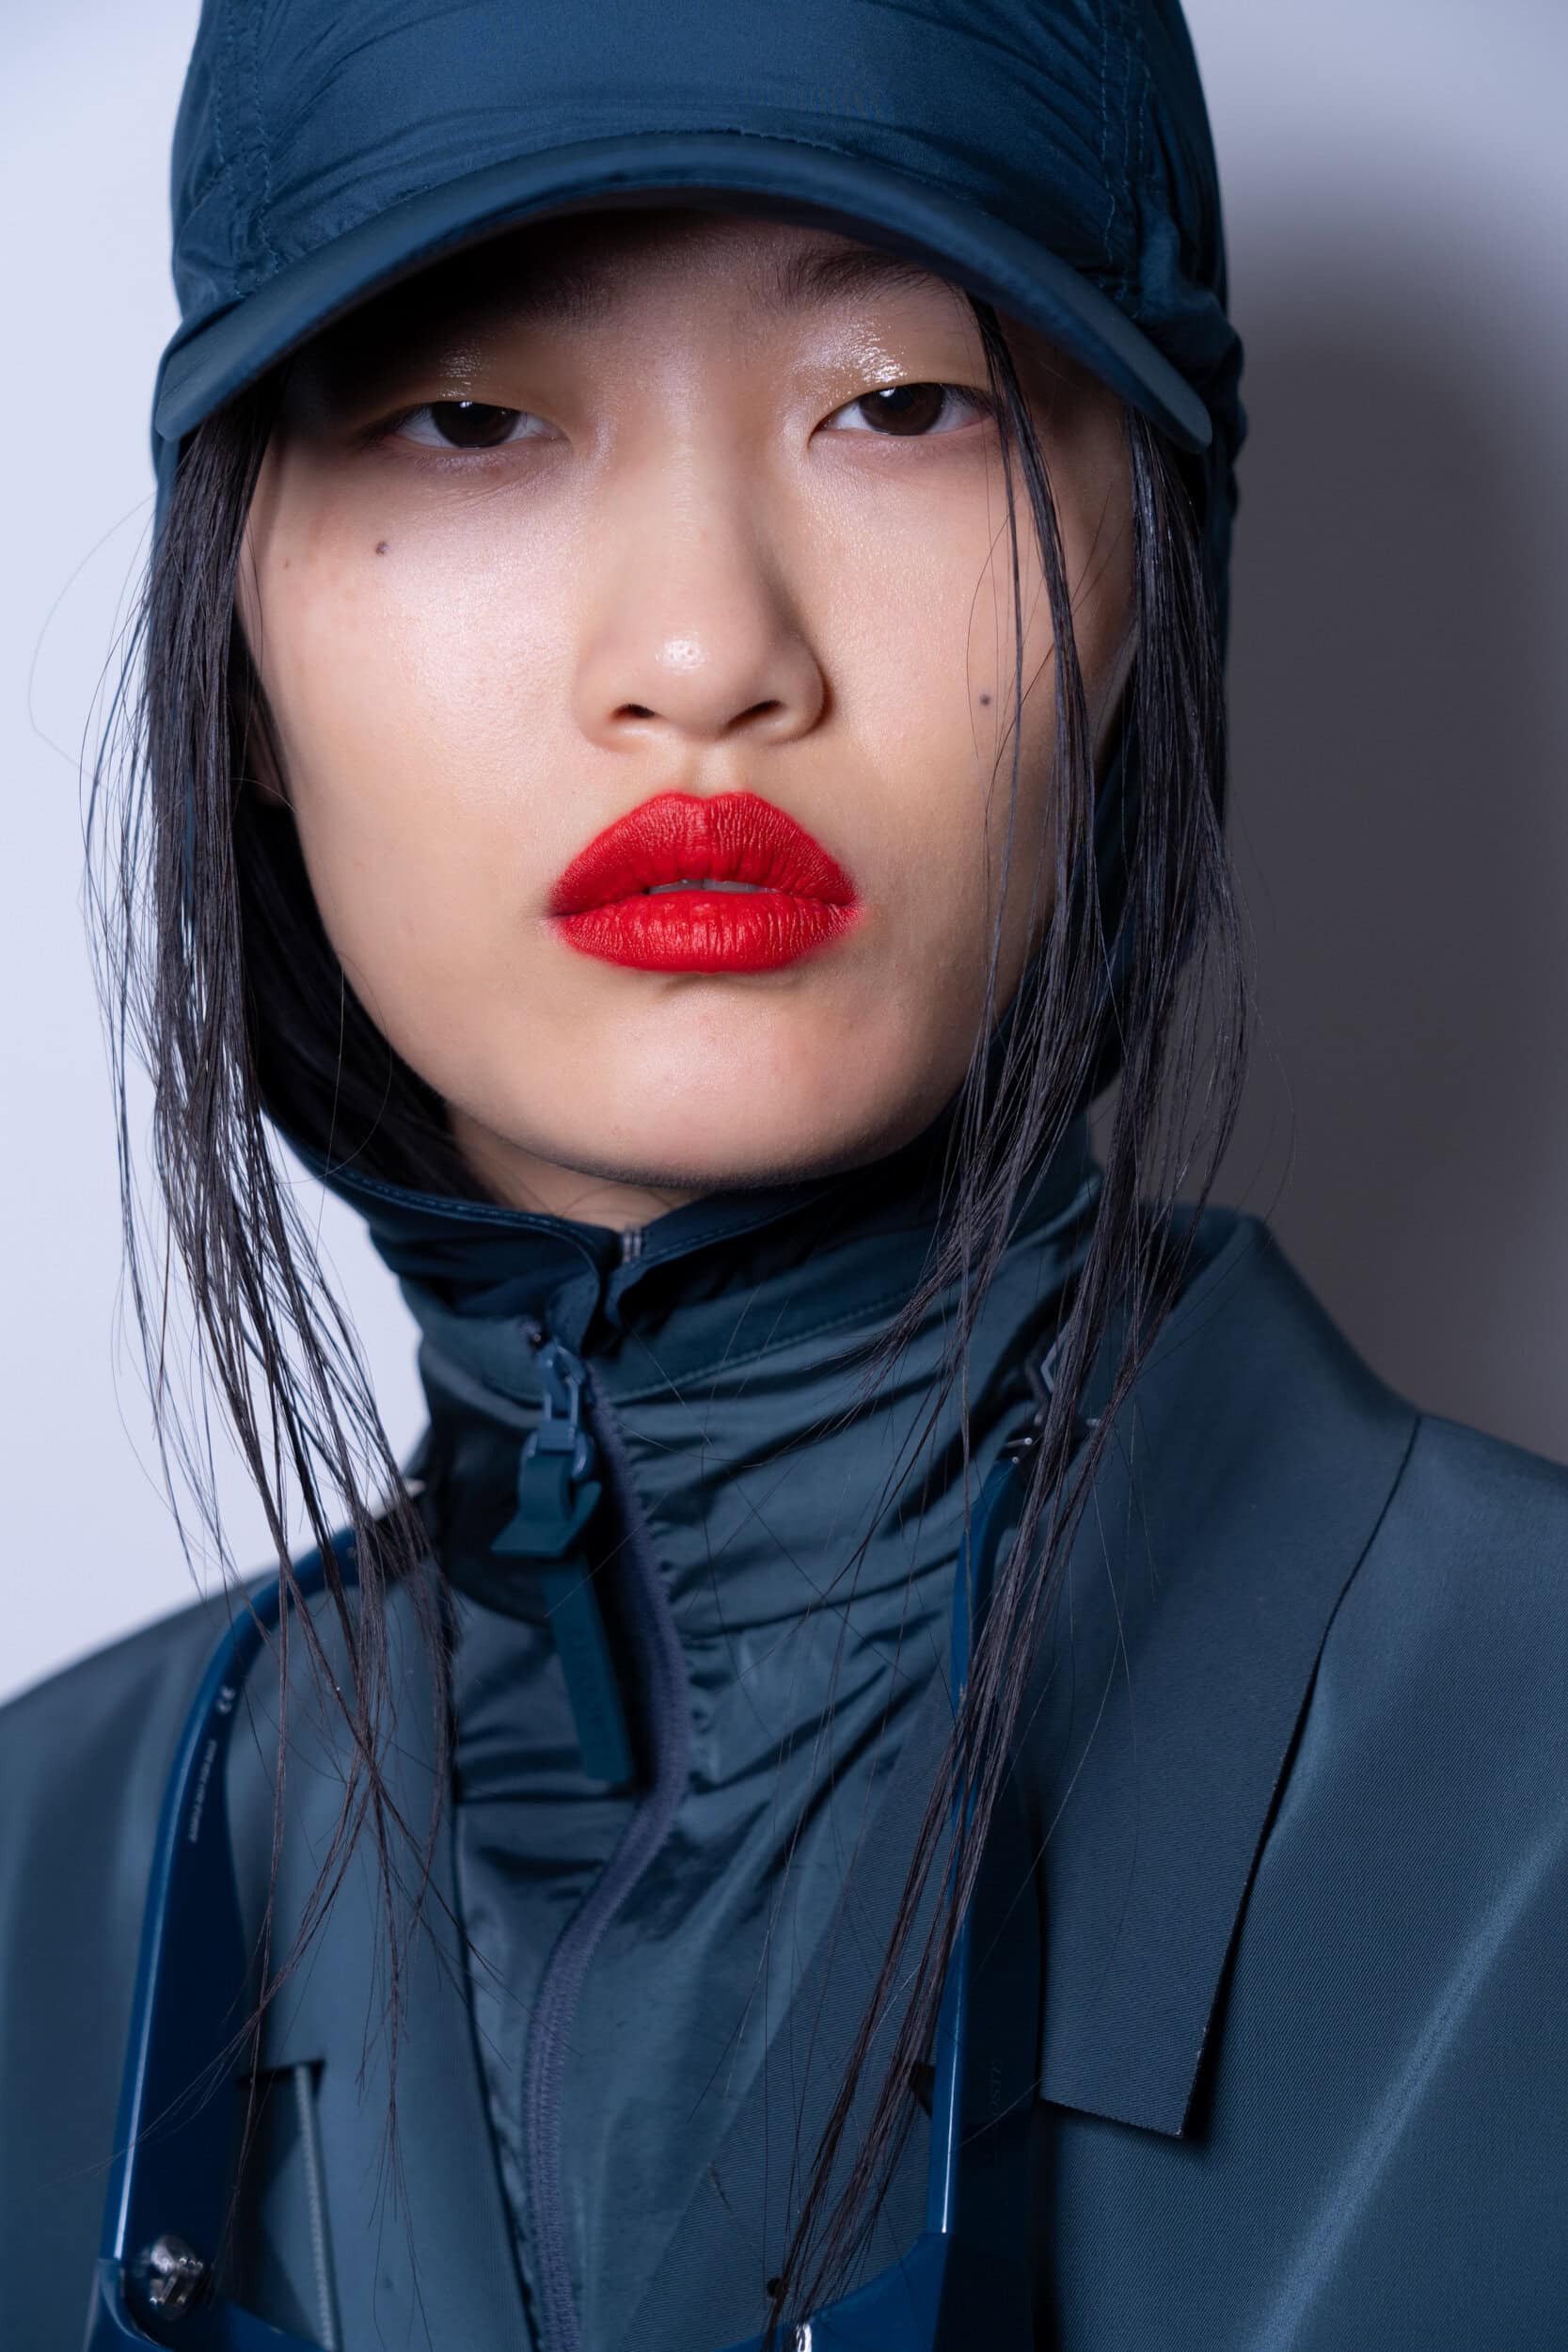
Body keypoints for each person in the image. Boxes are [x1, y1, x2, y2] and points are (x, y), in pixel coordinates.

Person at [4, 1, 1567, 2347]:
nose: (704, 649)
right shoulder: (41, 1883)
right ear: (237, 633)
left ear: (1156, 565)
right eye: (471, 417)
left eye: (901, 402)